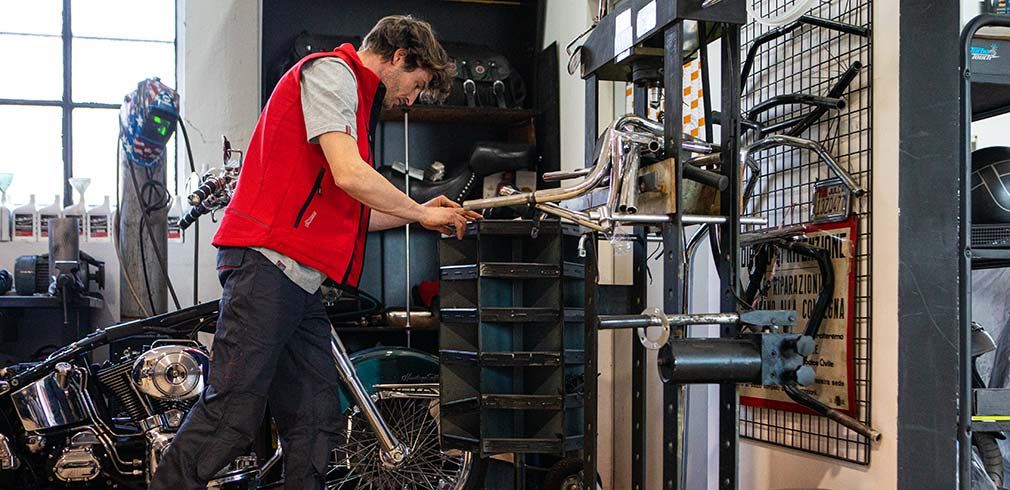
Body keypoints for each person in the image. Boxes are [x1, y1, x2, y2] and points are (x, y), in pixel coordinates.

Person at [150, 15, 480, 490]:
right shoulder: (332, 73)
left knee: (315, 420)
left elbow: (355, 210)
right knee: (233, 415)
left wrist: (420, 212)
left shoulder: (355, 106)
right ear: (401, 56)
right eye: (417, 83)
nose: (411, 98)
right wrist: (419, 212)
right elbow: (349, 175)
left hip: (299, 281)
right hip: (267, 265)